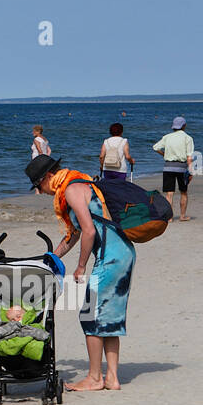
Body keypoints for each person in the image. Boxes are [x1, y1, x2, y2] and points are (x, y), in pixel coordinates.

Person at [26, 154, 135, 392]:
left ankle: (95, 377)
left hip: (110, 258)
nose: (40, 192)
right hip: (123, 253)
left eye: (38, 185)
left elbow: (88, 231)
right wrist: (51, 258)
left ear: (48, 177)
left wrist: (81, 266)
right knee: (108, 317)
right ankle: (112, 378)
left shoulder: (71, 191)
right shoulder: (79, 183)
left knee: (90, 315)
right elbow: (74, 234)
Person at [153, 117, 195, 221]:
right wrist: (191, 172)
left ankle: (170, 217)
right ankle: (182, 216)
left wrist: (164, 154)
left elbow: (155, 147)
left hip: (168, 166)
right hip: (181, 167)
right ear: (184, 126)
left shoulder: (167, 137)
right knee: (183, 192)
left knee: (169, 193)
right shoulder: (188, 138)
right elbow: (189, 157)